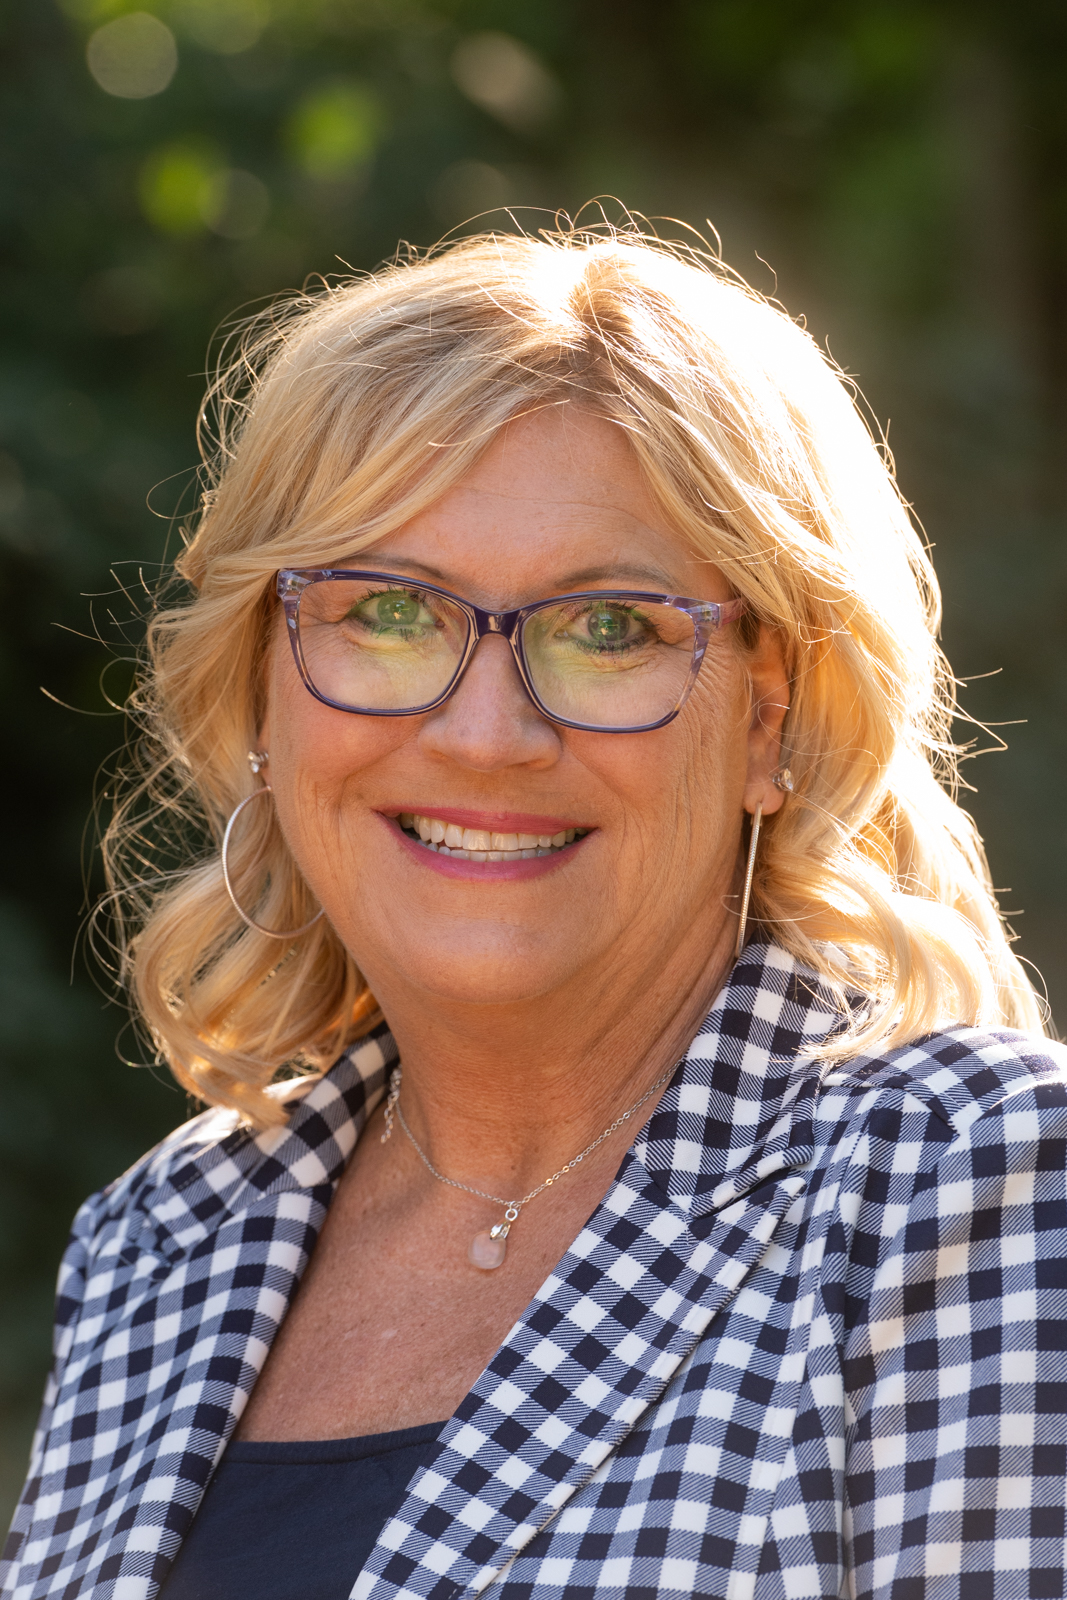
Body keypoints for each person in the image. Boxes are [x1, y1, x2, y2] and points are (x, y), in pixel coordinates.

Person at [4, 224, 1066, 1600]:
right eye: (388, 611)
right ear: (266, 681)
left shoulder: (976, 1188)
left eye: (609, 627)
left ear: (772, 716)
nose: (485, 733)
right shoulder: (161, 1248)